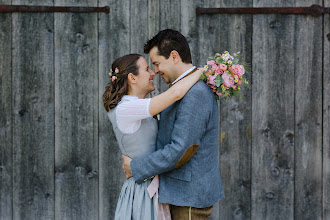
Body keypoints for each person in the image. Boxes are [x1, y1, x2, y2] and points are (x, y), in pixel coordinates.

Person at [122, 29, 225, 219]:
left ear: (174, 56)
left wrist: (136, 167)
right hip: (179, 194)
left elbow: (180, 150)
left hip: (188, 198)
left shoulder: (196, 93)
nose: (155, 71)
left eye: (157, 63)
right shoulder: (184, 88)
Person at [103, 53, 203, 219]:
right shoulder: (126, 108)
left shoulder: (137, 107)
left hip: (153, 187)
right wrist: (201, 71)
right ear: (132, 78)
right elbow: (175, 94)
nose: (153, 73)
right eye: (147, 69)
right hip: (142, 192)